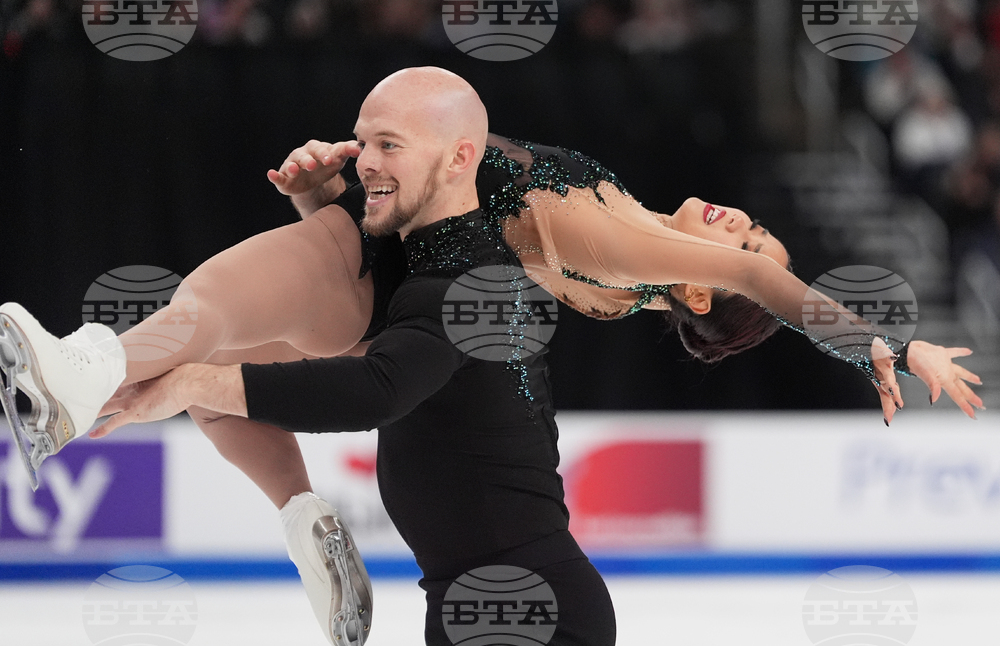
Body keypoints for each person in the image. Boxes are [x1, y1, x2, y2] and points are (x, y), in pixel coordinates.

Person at [0, 67, 983, 643]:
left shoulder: (632, 248)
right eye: (749, 227)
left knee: (228, 323)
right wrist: (344, 190)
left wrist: (887, 345)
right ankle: (297, 517)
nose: (738, 224)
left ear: (696, 288)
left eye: (737, 242)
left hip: (412, 290)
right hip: (408, 266)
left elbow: (776, 288)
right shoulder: (618, 251)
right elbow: (428, 237)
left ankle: (92, 373)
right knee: (223, 355)